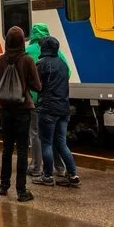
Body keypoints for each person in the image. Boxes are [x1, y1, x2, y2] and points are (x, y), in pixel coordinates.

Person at [0, 26, 42, 202]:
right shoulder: (27, 60)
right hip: (22, 109)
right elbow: (37, 86)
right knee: (21, 150)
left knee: (6, 148)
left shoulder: (0, 61)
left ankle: (3, 185)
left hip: (5, 110)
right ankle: (21, 190)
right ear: (21, 42)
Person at [33, 37, 81, 188]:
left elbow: (35, 85)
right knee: (61, 142)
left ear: (44, 48)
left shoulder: (41, 64)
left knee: (46, 143)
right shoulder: (63, 65)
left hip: (48, 108)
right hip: (63, 108)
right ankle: (72, 174)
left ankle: (47, 176)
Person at [26, 23, 68, 179]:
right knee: (56, 136)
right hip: (58, 99)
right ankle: (60, 168)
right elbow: (67, 72)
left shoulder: (28, 51)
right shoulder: (59, 53)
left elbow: (26, 76)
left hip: (36, 100)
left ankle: (36, 166)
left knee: (36, 134)